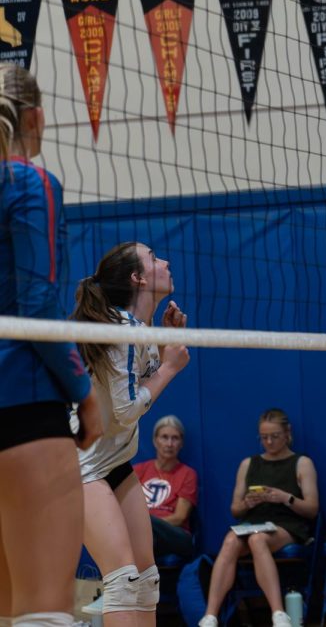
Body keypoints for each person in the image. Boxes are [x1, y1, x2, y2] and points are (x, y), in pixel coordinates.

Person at [0, 65, 102, 627]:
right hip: (24, 410)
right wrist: (83, 392)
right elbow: (38, 306)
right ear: (35, 118)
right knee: (45, 614)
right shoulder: (27, 182)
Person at [74, 242, 191, 625]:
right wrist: (170, 368)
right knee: (123, 579)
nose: (166, 261)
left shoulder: (134, 327)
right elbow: (125, 412)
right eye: (154, 258)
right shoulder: (119, 329)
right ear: (138, 278)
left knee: (145, 578)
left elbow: (138, 378)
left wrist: (163, 342)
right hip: (81, 468)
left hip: (115, 461)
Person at [199, 409, 318, 627]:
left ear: (287, 433)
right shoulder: (248, 464)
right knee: (230, 540)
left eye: (275, 436)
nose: (269, 442)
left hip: (287, 524)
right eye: (264, 438)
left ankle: (278, 614)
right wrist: (247, 503)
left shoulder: (301, 463)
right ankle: (210, 615)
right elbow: (235, 509)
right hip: (254, 522)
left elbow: (312, 509)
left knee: (258, 539)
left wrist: (284, 498)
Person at [134, 415, 198, 561]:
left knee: (141, 531)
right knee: (145, 540)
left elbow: (180, 517)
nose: (169, 444)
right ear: (155, 441)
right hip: (146, 535)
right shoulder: (138, 470)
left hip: (176, 535)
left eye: (175, 438)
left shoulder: (188, 474)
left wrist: (147, 523)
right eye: (164, 437)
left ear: (181, 443)